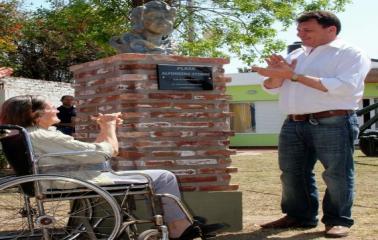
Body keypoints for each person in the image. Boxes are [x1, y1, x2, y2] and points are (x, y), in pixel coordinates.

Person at [0, 95, 223, 240]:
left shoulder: (33, 134)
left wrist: (107, 127)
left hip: (71, 175)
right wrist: (109, 127)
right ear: (35, 115)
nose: (57, 110)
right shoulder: (41, 135)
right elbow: (107, 152)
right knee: (164, 176)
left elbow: (93, 152)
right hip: (77, 180)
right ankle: (179, 228)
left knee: (157, 175)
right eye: (51, 108)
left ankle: (180, 224)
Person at [252, 11, 371, 238]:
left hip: (333, 120)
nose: (301, 34)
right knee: (292, 173)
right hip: (293, 123)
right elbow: (270, 87)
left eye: (307, 30)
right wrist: (277, 75)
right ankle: (299, 216)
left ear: (331, 30)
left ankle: (338, 220)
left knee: (337, 174)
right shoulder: (297, 54)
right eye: (299, 30)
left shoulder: (351, 53)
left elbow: (345, 87)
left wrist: (294, 75)